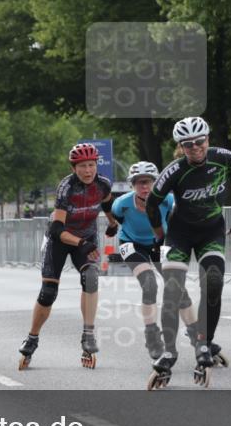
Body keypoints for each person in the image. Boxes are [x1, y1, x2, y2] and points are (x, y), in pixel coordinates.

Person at [145, 116, 231, 389]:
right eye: (188, 144)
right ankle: (169, 352)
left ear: (208, 139)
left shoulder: (225, 158)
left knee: (214, 282)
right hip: (179, 234)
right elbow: (151, 205)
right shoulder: (175, 170)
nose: (195, 148)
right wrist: (160, 236)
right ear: (181, 147)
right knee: (172, 290)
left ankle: (203, 343)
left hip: (211, 232)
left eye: (199, 142)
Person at [17, 143, 118, 370]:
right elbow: (56, 230)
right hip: (61, 240)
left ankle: (88, 335)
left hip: (87, 236)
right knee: (48, 293)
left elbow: (108, 203)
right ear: (74, 168)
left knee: (91, 277)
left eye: (91, 165)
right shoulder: (66, 188)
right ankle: (32, 338)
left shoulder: (102, 184)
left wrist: (112, 224)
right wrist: (81, 243)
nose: (88, 170)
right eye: (82, 166)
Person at [111, 161, 198, 360]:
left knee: (177, 288)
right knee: (149, 284)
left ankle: (195, 333)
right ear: (132, 185)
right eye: (139, 183)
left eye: (149, 182)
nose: (145, 187)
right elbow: (117, 221)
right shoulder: (121, 205)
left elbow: (177, 224)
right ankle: (151, 336)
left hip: (159, 244)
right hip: (131, 244)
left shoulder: (167, 201)